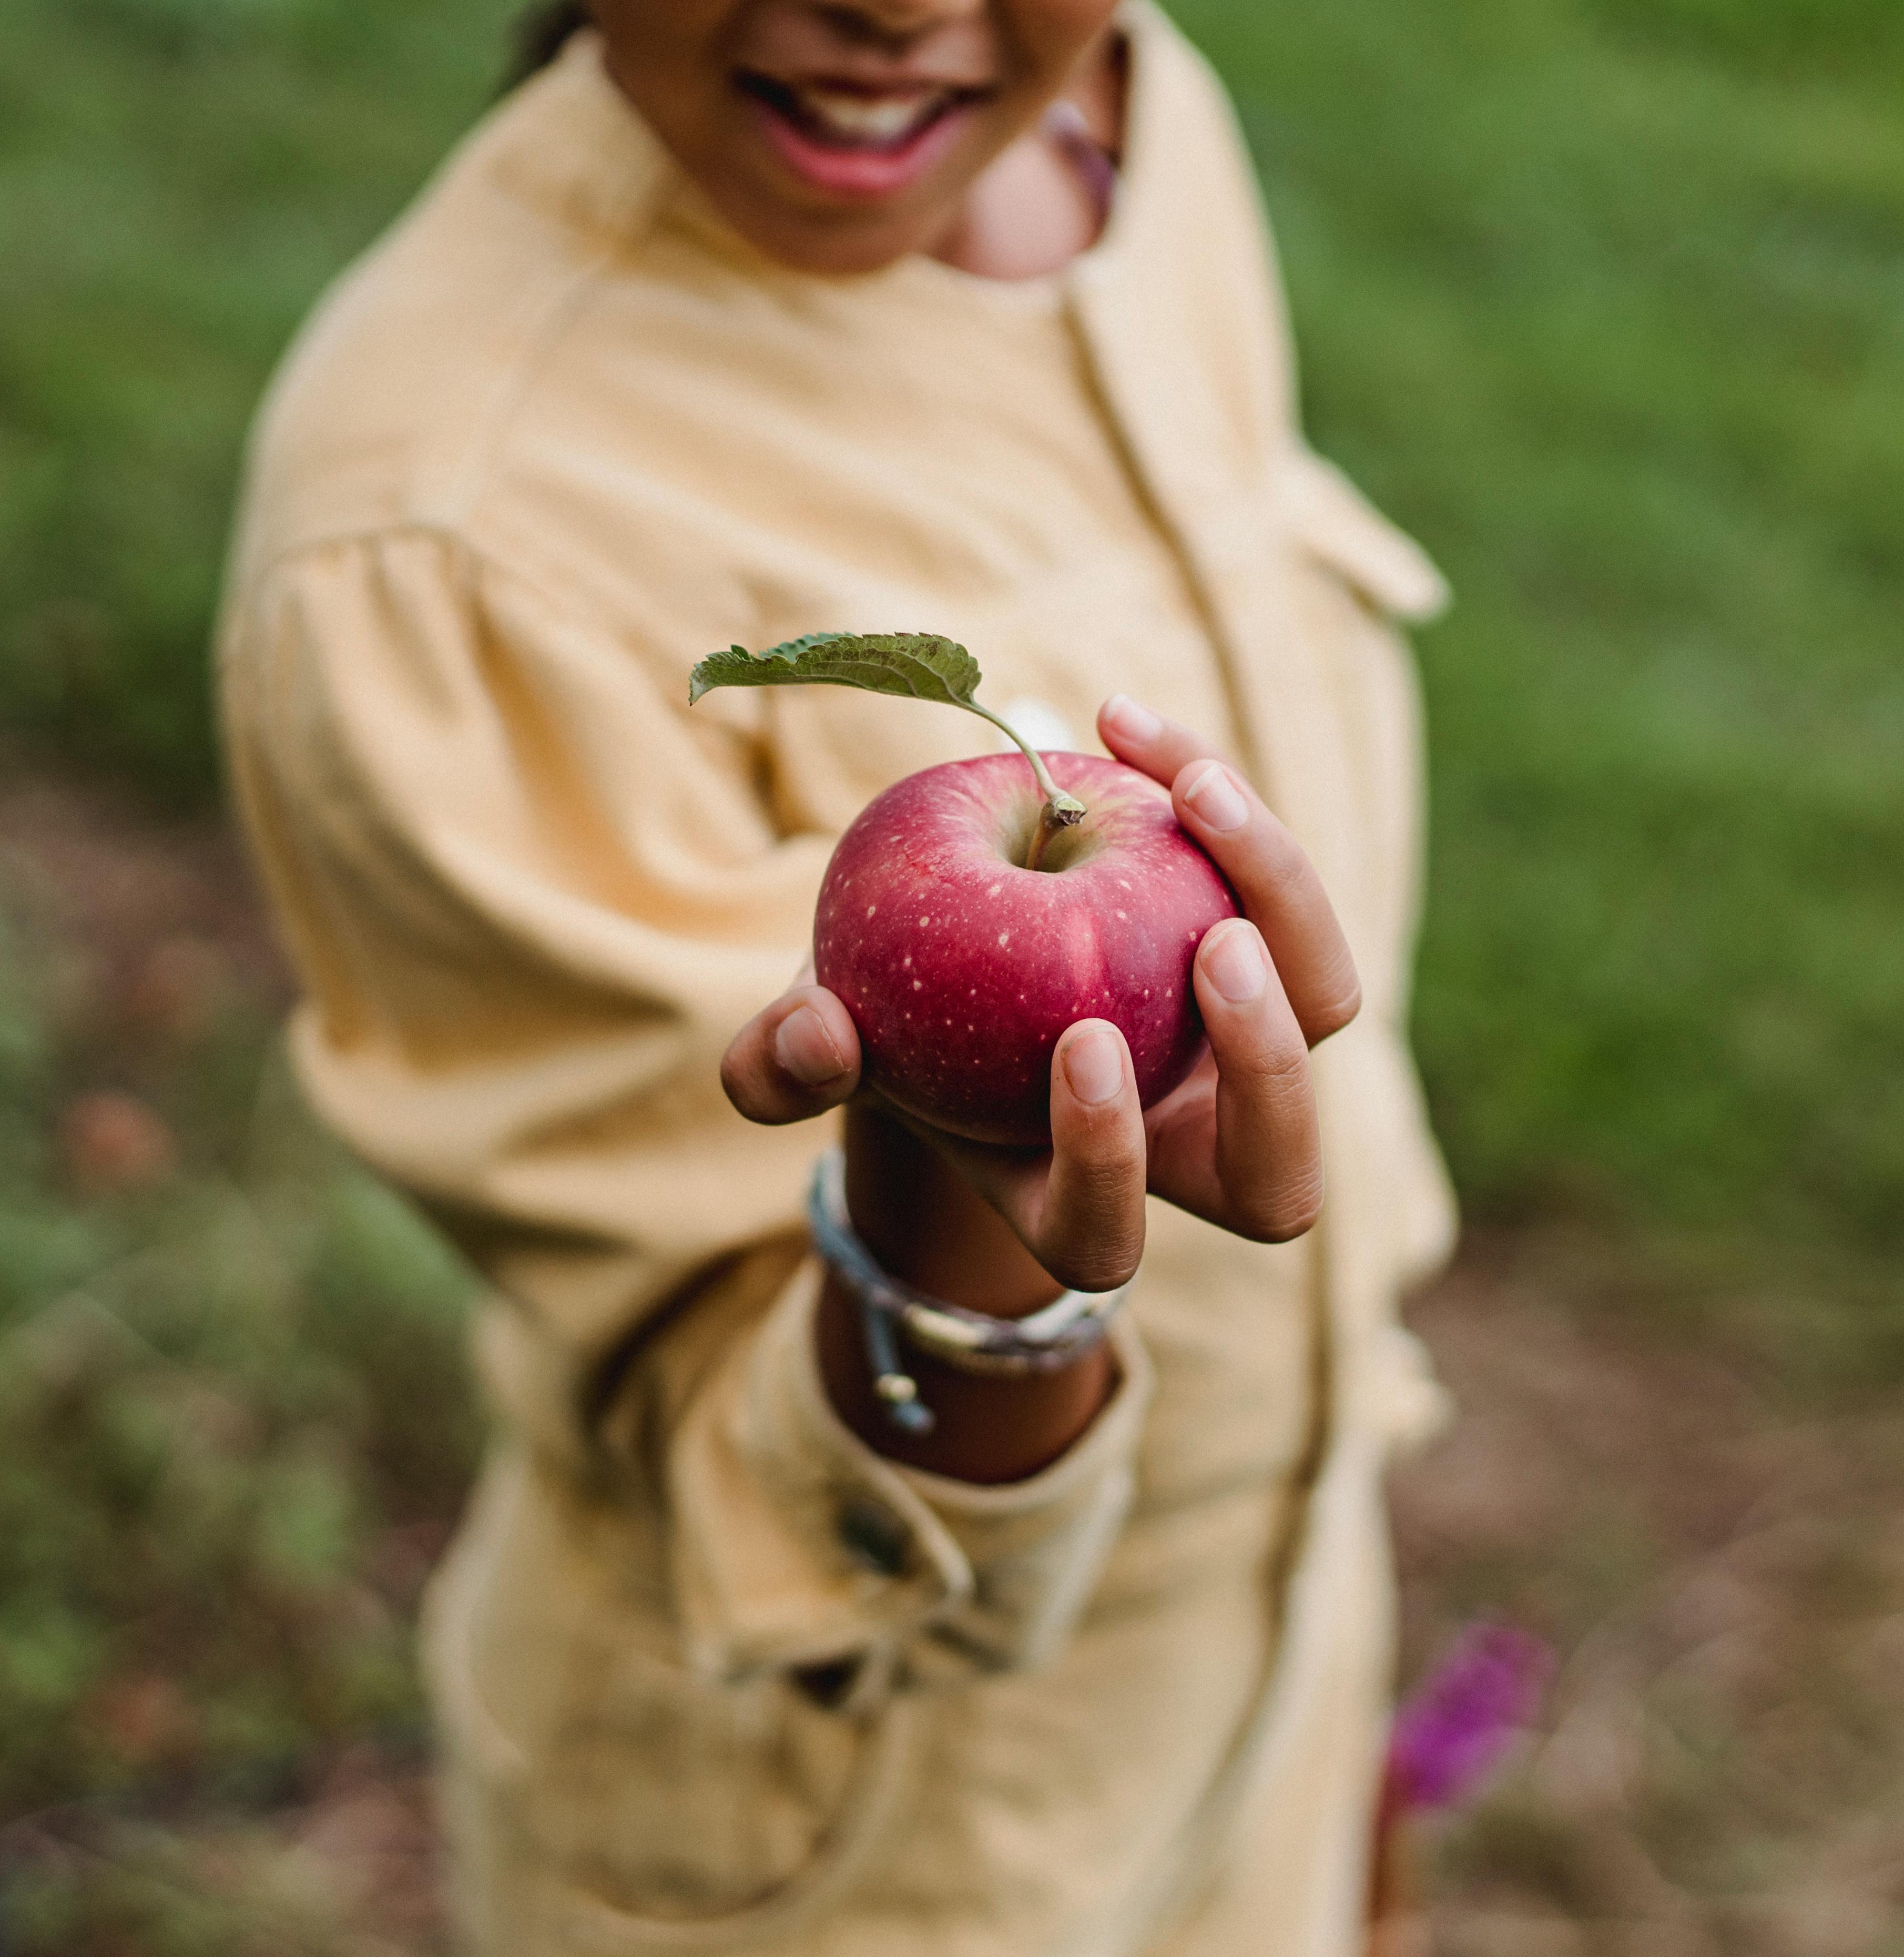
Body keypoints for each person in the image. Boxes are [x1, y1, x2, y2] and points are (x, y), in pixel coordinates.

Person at [215, 1, 1455, 1948]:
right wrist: (961, 1234)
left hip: (1262, 1680)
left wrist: (1330, 1746)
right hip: (873, 1834)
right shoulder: (446, 537)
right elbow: (758, 1474)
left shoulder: (1115, 119)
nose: (890, 3)